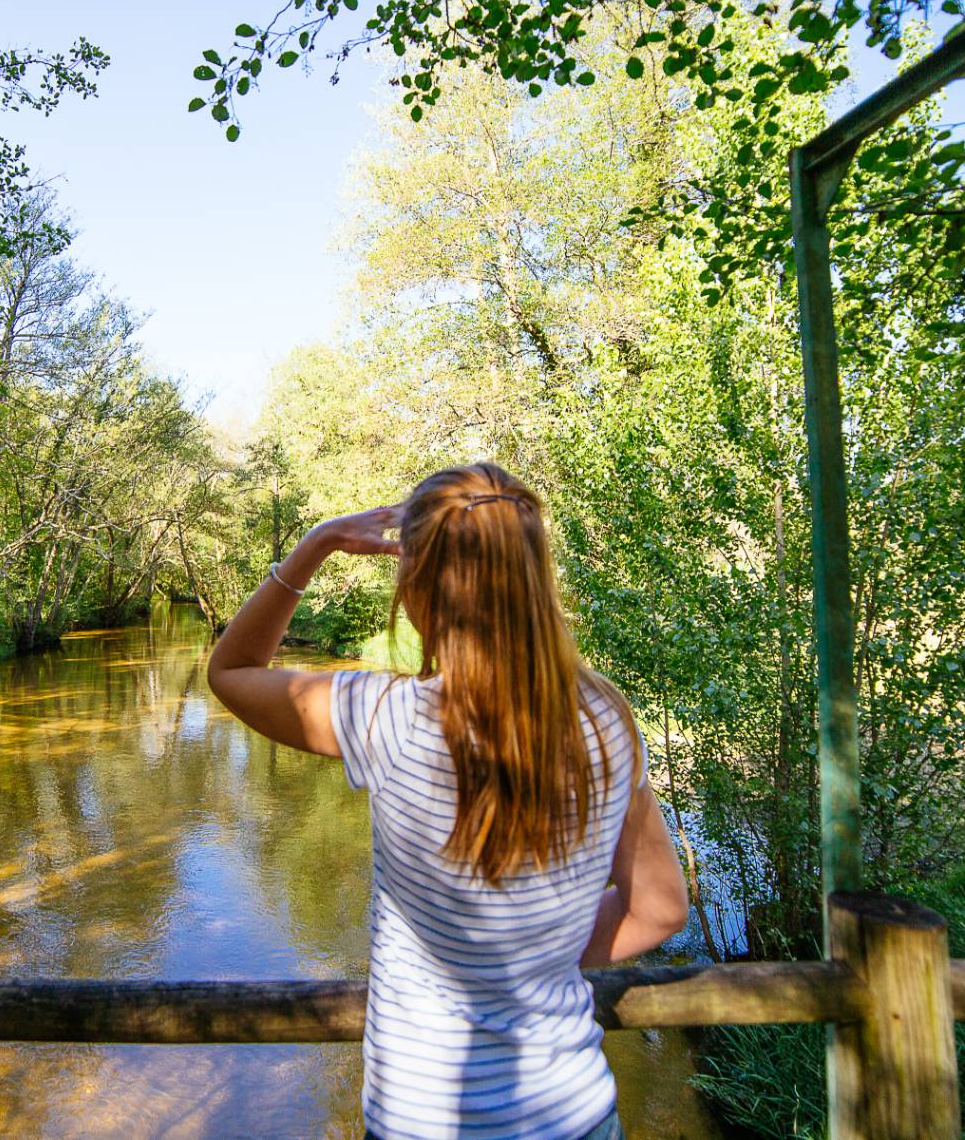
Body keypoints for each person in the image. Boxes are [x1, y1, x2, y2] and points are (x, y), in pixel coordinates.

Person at [207, 462, 690, 1140]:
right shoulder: (606, 717)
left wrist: (312, 547)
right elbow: (661, 909)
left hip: (421, 1120)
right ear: (534, 578)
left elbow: (230, 672)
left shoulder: (384, 718)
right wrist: (537, 948)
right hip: (574, 1113)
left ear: (416, 589)